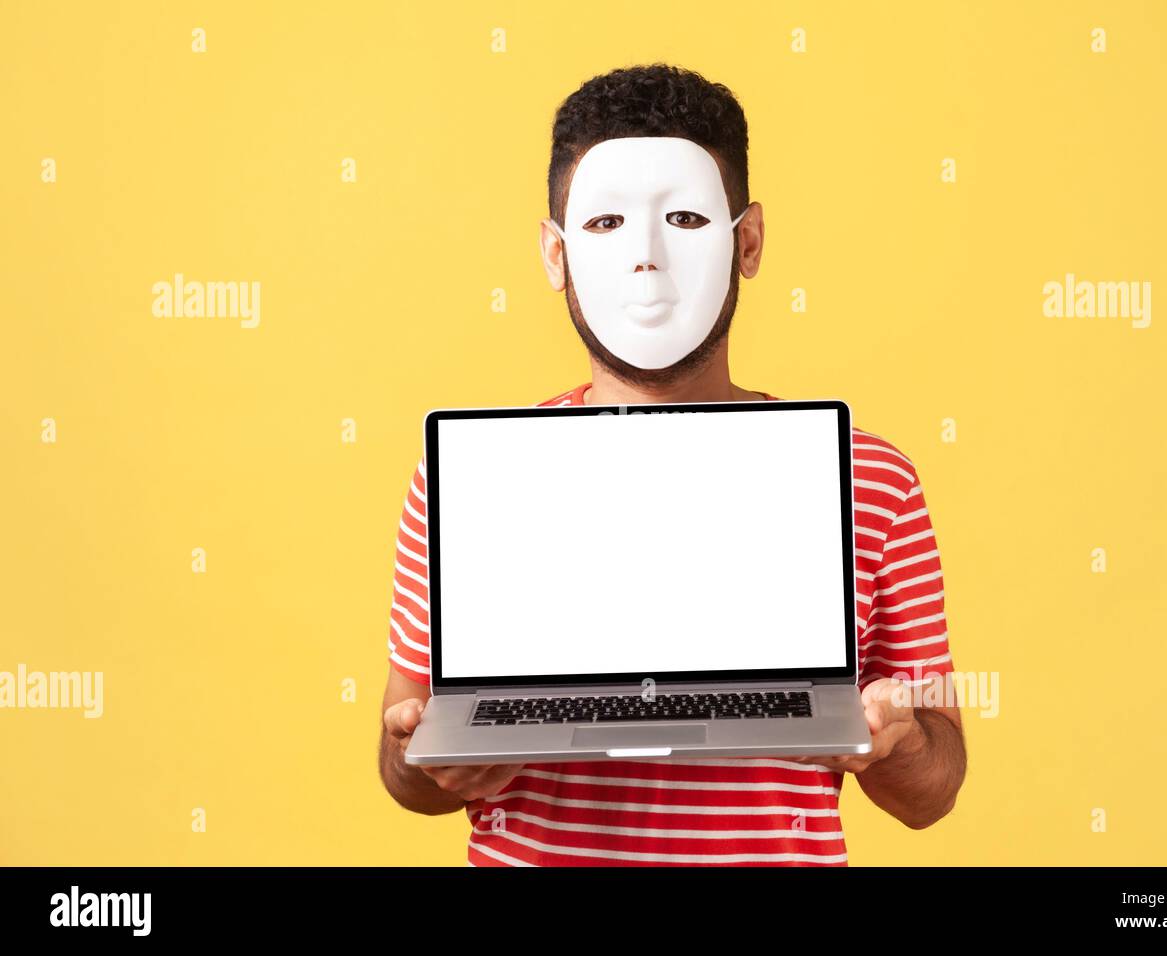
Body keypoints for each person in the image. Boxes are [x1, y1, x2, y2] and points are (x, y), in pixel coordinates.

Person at [379, 63, 966, 866]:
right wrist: (436, 760)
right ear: (555, 256)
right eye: (605, 225)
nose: (646, 259)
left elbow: (936, 787)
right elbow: (402, 761)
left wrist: (891, 743)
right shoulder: (467, 483)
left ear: (747, 240)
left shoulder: (872, 477)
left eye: (686, 217)